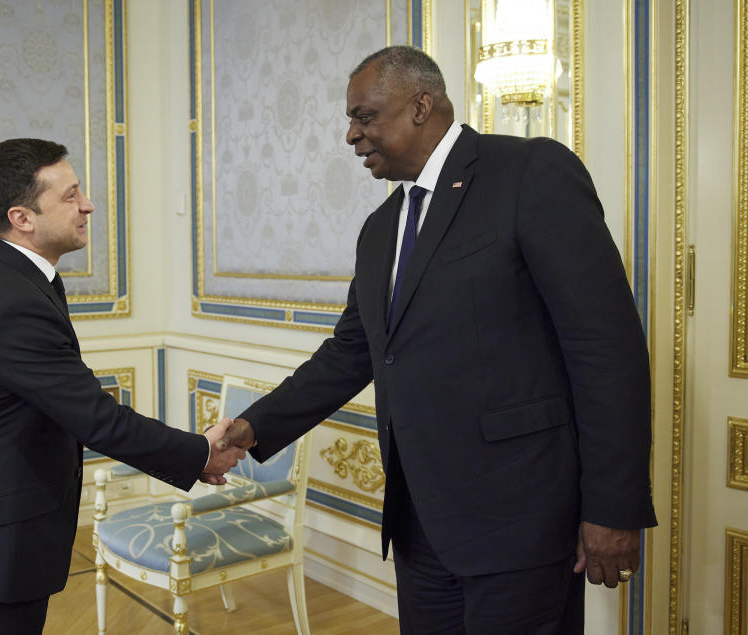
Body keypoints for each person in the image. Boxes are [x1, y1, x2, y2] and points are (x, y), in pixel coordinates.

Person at [221, 46, 656, 633]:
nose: (351, 135)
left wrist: (613, 507)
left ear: (421, 105)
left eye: (364, 116)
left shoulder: (530, 173)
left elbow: (606, 349)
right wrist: (253, 426)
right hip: (421, 524)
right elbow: (351, 353)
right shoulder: (380, 231)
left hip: (520, 522)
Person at [0, 138, 245, 634]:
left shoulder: (20, 278)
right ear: (23, 218)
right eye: (70, 196)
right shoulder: (9, 299)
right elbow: (95, 417)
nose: (87, 204)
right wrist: (198, 452)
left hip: (3, 525)